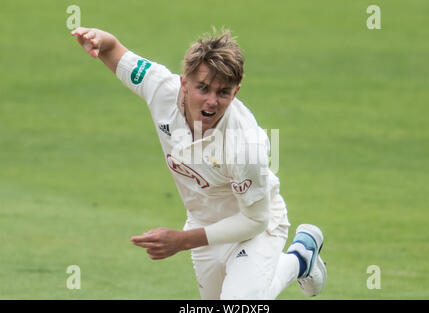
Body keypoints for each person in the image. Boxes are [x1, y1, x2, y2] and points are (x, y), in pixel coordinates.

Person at [71, 26, 327, 299]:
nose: (211, 101)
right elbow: (116, 52)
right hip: (204, 224)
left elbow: (255, 220)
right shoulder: (162, 89)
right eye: (203, 88)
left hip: (257, 227)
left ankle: (296, 260)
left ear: (236, 91)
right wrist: (101, 41)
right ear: (184, 82)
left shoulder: (245, 145)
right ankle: (301, 258)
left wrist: (181, 241)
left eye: (223, 92)